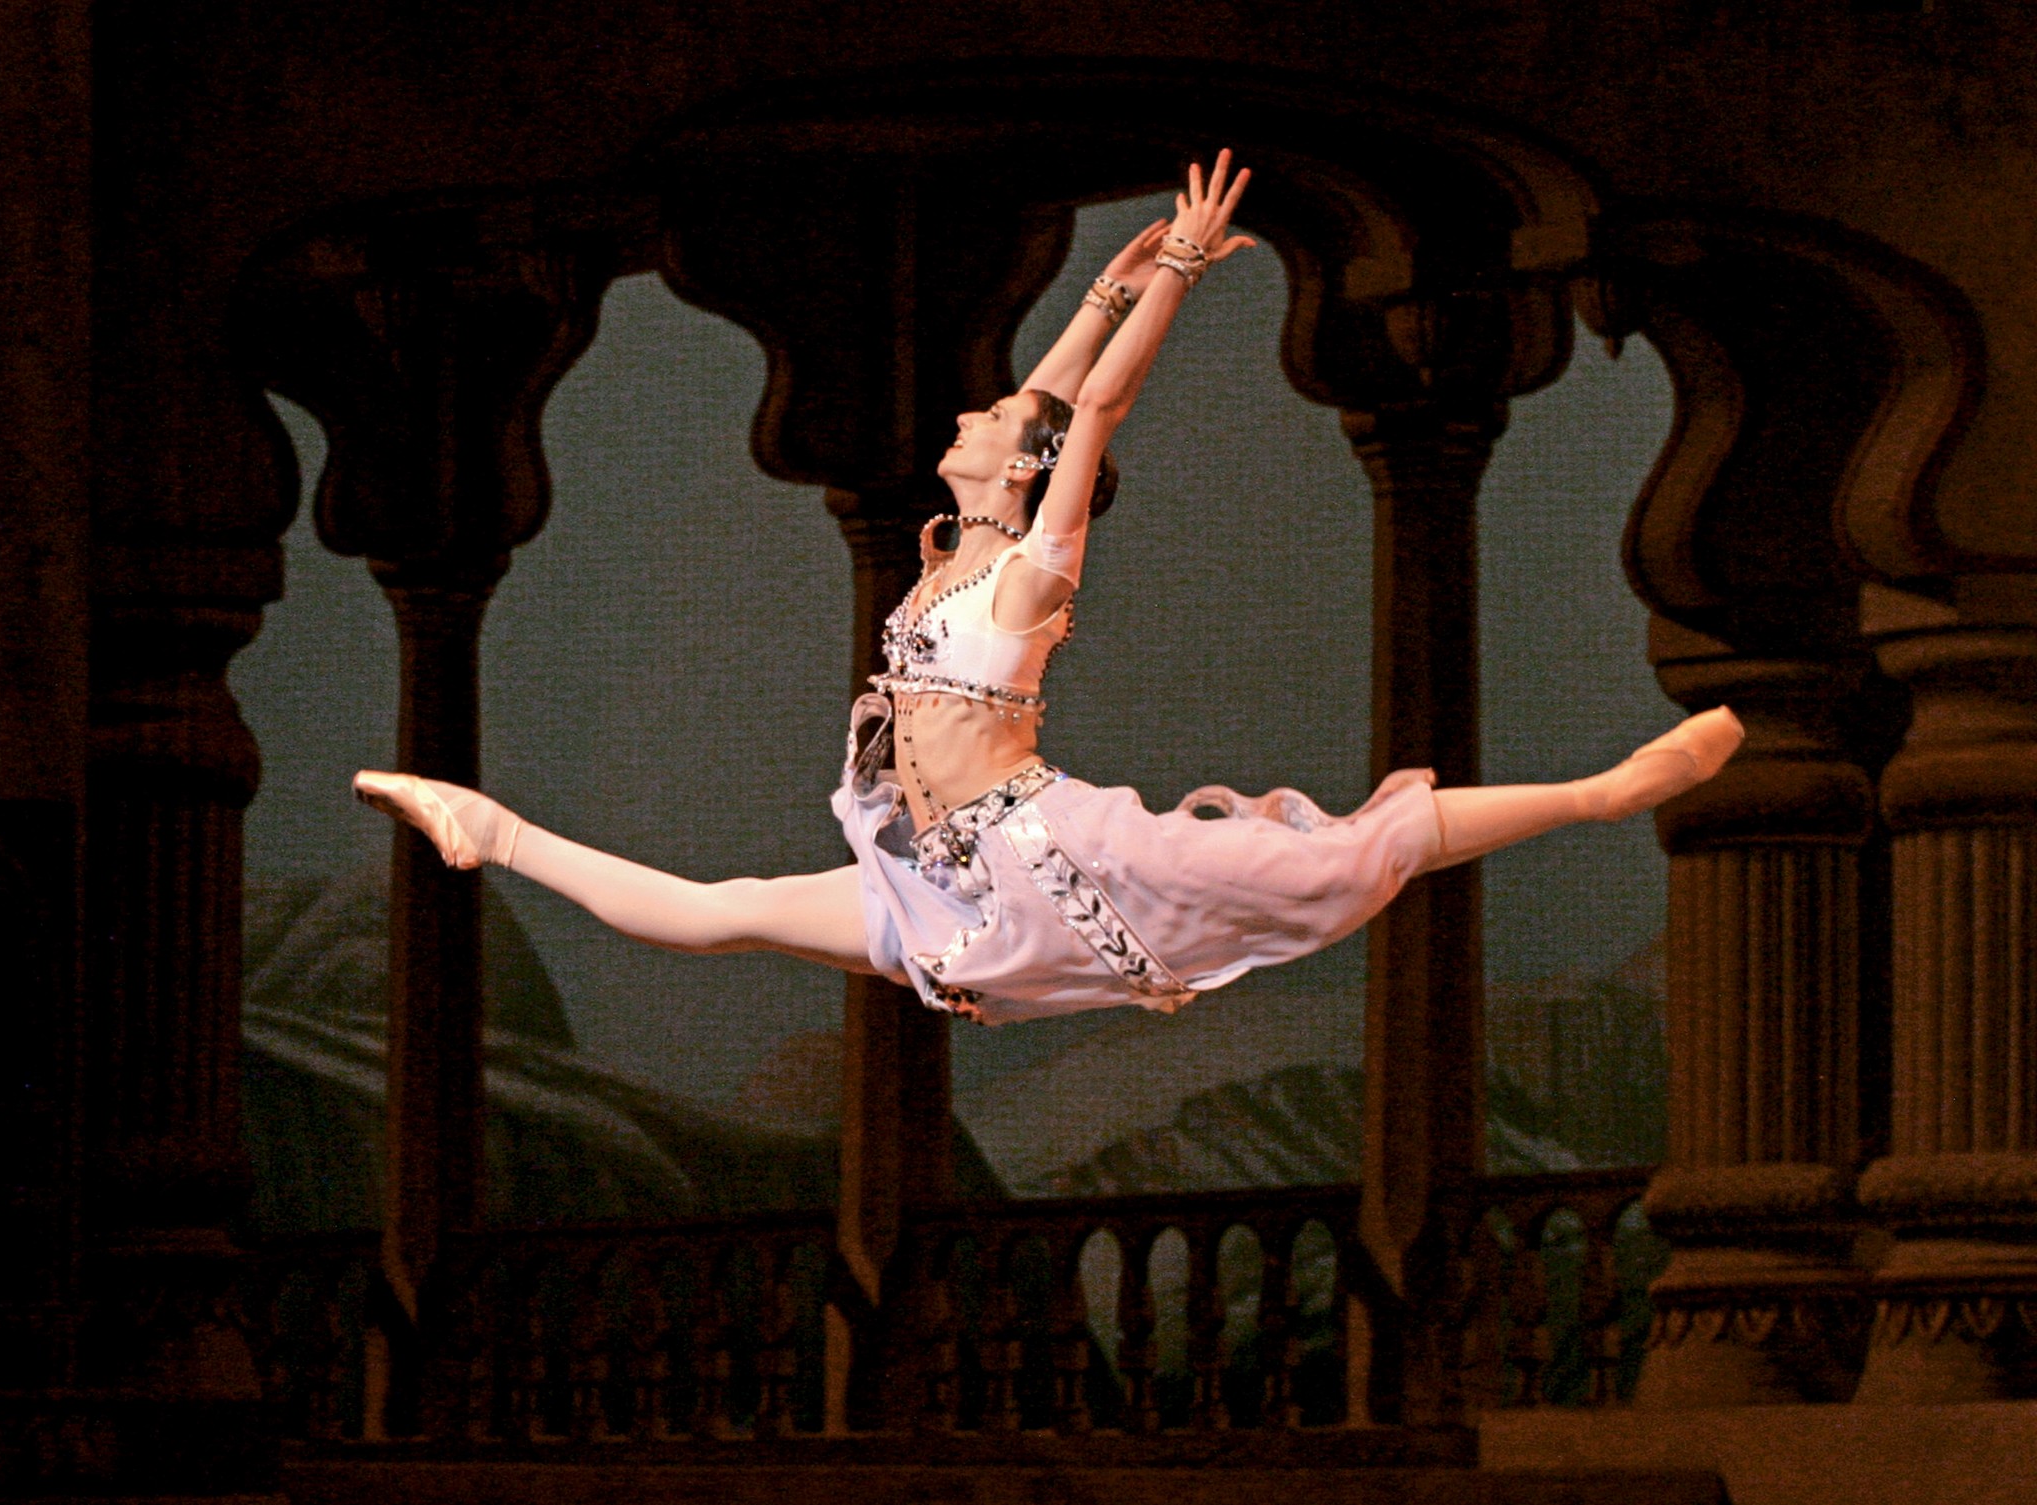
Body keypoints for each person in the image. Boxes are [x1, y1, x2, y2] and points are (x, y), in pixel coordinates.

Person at [354, 151, 1743, 1026]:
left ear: (1017, 471)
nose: (970, 415)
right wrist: (1108, 283)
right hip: (930, 863)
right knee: (724, 913)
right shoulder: (953, 550)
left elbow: (1090, 414)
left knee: (1329, 861)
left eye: (989, 423)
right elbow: (1051, 393)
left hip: (1045, 853)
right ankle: (488, 828)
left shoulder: (1026, 571)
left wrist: (1175, 276)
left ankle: (1605, 791)